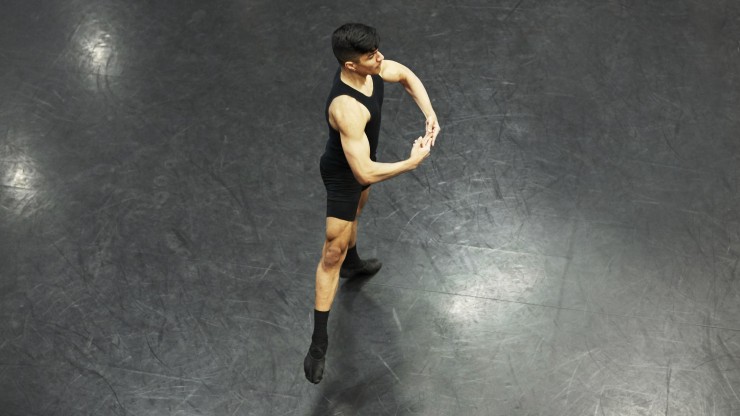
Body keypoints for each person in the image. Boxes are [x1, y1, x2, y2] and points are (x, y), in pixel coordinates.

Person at [304, 23, 440, 384]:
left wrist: (430, 114)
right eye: (370, 56)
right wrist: (412, 162)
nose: (380, 59)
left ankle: (353, 262)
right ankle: (319, 342)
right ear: (351, 65)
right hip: (344, 174)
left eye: (378, 51)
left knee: (358, 213)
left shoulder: (372, 68)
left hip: (364, 163)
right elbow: (362, 172)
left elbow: (406, 76)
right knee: (331, 250)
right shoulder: (346, 107)